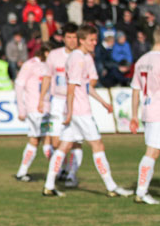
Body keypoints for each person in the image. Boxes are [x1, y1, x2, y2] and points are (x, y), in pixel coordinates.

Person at [42, 24, 133, 198]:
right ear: (81, 40)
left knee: (64, 146)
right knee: (97, 145)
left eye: (95, 39)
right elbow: (71, 87)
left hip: (77, 109)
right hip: (80, 111)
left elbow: (84, 87)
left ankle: (48, 185)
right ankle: (111, 186)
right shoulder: (79, 59)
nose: (94, 42)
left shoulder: (80, 57)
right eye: (91, 40)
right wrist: (69, 112)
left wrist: (103, 102)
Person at [129, 25, 160, 204]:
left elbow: (135, 89)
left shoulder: (141, 60)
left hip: (148, 111)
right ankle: (141, 192)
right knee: (152, 151)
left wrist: (134, 115)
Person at [45, 23, 83, 183]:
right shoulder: (54, 55)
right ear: (63, 38)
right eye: (69, 37)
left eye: (75, 37)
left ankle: (71, 174)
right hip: (58, 101)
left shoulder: (83, 56)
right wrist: (43, 99)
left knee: (76, 141)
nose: (72, 40)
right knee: (55, 141)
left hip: (76, 101)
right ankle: (60, 169)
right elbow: (47, 77)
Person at [14, 45, 51, 181]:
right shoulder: (30, 65)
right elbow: (19, 85)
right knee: (39, 139)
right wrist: (21, 109)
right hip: (35, 109)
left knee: (44, 138)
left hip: (46, 108)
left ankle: (55, 172)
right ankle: (22, 172)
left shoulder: (48, 65)